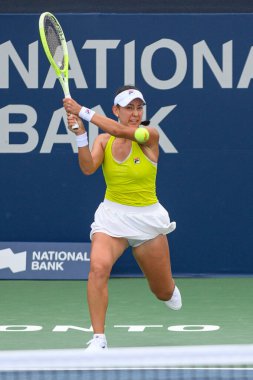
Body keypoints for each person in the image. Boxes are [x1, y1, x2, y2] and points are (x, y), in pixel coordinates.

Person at [63, 85, 182, 352]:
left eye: (139, 108)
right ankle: (99, 339)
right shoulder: (103, 141)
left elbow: (118, 130)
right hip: (112, 216)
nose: (136, 113)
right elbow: (87, 168)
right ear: (116, 110)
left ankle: (169, 289)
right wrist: (81, 135)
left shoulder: (149, 135)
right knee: (98, 268)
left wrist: (80, 111)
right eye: (129, 108)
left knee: (162, 292)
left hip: (147, 219)